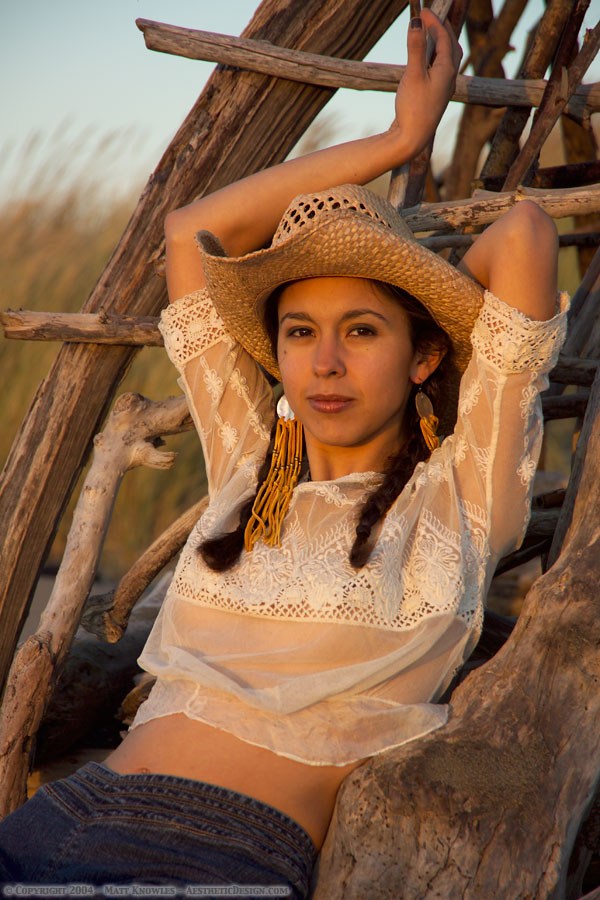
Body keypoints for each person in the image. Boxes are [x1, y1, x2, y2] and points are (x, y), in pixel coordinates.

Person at [0, 10, 568, 897]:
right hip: (57, 820)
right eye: (300, 332)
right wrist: (395, 140)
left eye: (362, 331)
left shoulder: (461, 497)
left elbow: (526, 233)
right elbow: (190, 231)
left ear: (423, 357)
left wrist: (428, 301)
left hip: (219, 860)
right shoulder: (248, 462)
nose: (326, 362)